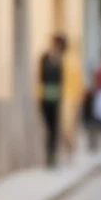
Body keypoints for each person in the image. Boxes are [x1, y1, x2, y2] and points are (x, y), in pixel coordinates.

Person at [38, 34, 67, 167]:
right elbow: (41, 76)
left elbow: (60, 81)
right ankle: (48, 154)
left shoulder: (60, 60)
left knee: (54, 128)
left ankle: (52, 156)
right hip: (45, 96)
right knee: (48, 126)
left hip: (55, 98)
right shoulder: (45, 58)